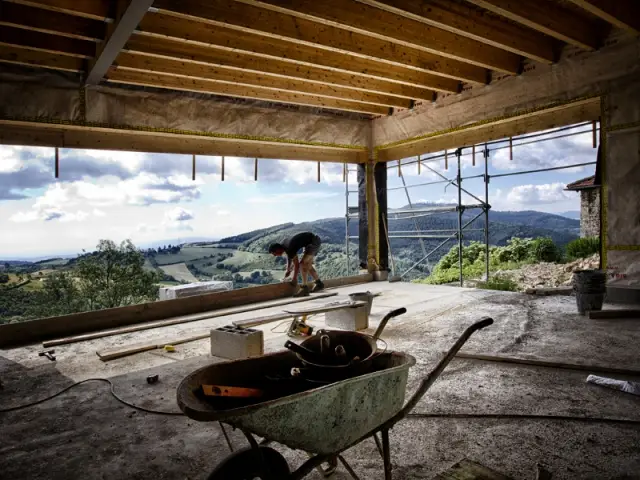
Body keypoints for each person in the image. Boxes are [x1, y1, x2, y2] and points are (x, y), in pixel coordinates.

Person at [268, 231, 324, 296]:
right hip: (310, 241)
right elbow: (289, 256)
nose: (275, 255)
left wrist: (294, 279)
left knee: (302, 264)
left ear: (277, 250)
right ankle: (319, 283)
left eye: (274, 253)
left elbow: (296, 265)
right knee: (307, 264)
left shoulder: (289, 248)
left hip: (313, 242)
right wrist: (288, 269)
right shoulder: (283, 244)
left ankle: (304, 288)